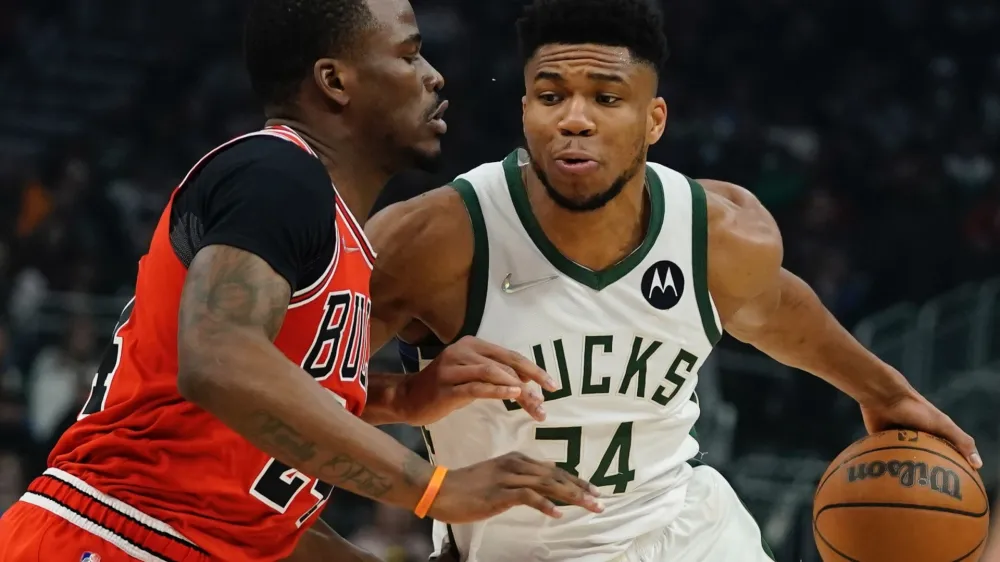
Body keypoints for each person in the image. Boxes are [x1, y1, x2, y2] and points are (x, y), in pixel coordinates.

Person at [364, 0, 984, 560]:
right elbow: (289, 387)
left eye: (607, 98)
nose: (575, 119)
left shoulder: (716, 231)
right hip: (523, 550)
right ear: (525, 110)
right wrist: (403, 400)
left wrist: (886, 392)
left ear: (654, 119)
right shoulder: (435, 238)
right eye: (551, 97)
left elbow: (774, 312)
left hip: (688, 531)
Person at [0, 0, 603, 561]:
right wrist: (434, 489)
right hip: (105, 533)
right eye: (409, 53)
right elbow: (218, 359)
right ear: (334, 81)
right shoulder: (275, 172)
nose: (434, 75)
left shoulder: (333, 232)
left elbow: (261, 516)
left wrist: (401, 399)